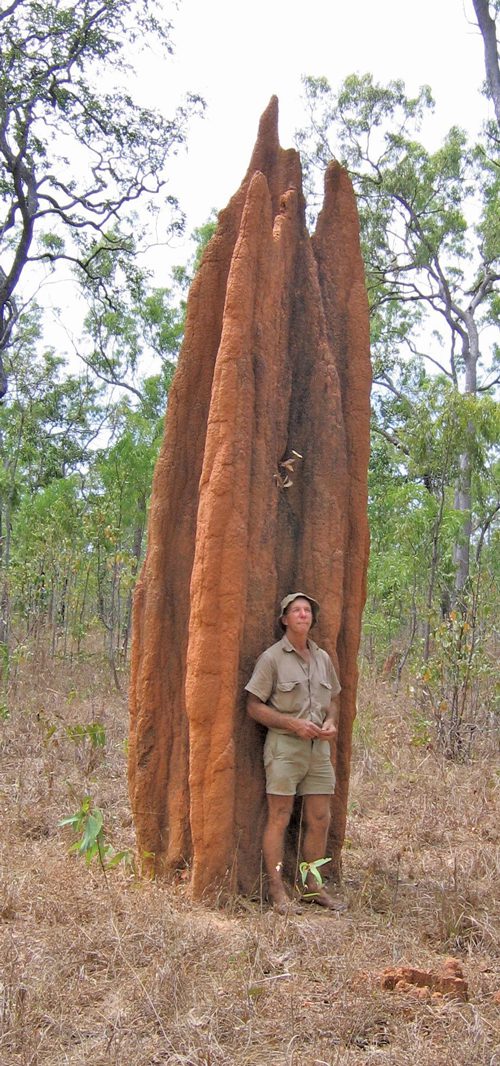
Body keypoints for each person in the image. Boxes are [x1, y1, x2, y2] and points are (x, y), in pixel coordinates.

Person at [245, 592, 345, 913]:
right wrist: (291, 724)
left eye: (307, 611)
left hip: (318, 750)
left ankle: (310, 886)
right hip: (285, 748)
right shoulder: (272, 658)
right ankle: (277, 892)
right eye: (296, 611)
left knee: (319, 817)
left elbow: (335, 701)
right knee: (279, 816)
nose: (303, 615)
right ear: (284, 619)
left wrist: (330, 722)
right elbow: (253, 707)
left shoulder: (323, 659)